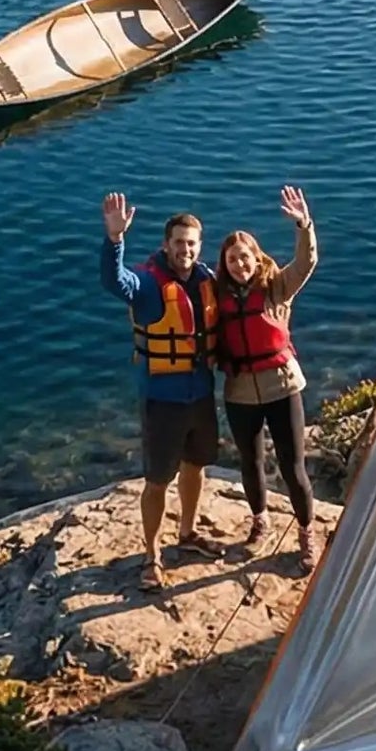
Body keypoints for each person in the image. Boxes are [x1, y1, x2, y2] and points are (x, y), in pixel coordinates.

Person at [100, 192, 229, 590]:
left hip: (201, 394)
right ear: (165, 244)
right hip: (162, 399)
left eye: (191, 243)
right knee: (158, 479)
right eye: (178, 243)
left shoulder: (207, 280)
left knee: (196, 465)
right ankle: (151, 557)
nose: (185, 250)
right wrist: (114, 239)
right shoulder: (146, 283)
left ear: (199, 246)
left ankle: (187, 534)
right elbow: (113, 280)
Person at [215, 186, 321, 569]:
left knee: (293, 467)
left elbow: (305, 262)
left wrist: (303, 225)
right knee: (250, 462)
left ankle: (307, 533)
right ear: (223, 264)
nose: (239, 265)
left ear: (256, 257)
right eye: (232, 260)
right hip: (240, 389)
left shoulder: (276, 286)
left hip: (282, 385)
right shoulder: (217, 294)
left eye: (245, 258)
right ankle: (260, 522)